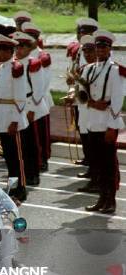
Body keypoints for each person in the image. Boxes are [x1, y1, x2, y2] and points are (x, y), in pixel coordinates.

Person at [83, 30, 124, 214]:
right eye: (97, 47)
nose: (99, 50)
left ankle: (111, 200)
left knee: (108, 163)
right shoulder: (89, 69)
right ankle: (101, 198)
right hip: (92, 120)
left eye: (103, 47)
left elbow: (117, 100)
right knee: (97, 162)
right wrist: (90, 102)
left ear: (109, 49)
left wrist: (112, 126)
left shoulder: (115, 70)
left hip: (107, 121)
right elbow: (80, 93)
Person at [0, 33, 28, 201]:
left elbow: (20, 96)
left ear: (8, 51)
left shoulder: (16, 67)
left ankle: (21, 188)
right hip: (1, 115)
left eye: (0, 49)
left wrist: (15, 120)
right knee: (8, 156)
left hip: (12, 117)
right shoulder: (0, 67)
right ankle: (13, 187)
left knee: (17, 157)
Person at [13, 31, 48, 187]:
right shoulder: (14, 63)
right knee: (22, 143)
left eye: (22, 47)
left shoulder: (33, 63)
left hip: (31, 106)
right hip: (19, 106)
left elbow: (39, 89)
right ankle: (25, 171)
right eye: (17, 47)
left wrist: (32, 109)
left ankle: (34, 174)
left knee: (32, 143)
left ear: (29, 48)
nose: (18, 50)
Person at [65, 35, 98, 192]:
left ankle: (98, 178)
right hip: (83, 107)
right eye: (85, 52)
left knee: (95, 143)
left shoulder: (101, 69)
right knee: (85, 137)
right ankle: (92, 170)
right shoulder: (84, 68)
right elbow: (78, 86)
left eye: (90, 52)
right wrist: (72, 93)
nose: (87, 55)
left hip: (95, 111)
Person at [22, 22, 53, 172]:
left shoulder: (42, 56)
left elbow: (44, 82)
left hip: (40, 97)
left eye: (31, 38)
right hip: (27, 99)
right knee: (29, 135)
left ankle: (44, 158)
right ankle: (32, 160)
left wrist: (36, 100)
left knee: (41, 133)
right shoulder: (21, 56)